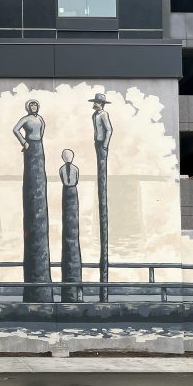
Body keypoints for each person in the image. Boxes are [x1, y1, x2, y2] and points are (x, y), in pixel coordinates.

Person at [12, 99, 52, 303]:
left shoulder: (40, 119)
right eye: (32, 106)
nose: (34, 108)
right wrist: (24, 142)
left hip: (39, 146)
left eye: (36, 106)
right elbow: (15, 129)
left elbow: (42, 130)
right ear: (28, 108)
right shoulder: (26, 120)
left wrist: (35, 142)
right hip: (31, 146)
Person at [89, 93, 113, 301]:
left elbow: (109, 130)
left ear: (101, 103)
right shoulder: (94, 115)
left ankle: (104, 293)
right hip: (97, 144)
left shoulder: (103, 114)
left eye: (96, 101)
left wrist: (104, 144)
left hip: (101, 146)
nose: (95, 104)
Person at [59, 149, 83, 303]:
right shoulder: (74, 169)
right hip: (70, 191)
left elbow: (67, 180)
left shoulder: (64, 169)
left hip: (69, 191)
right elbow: (74, 180)